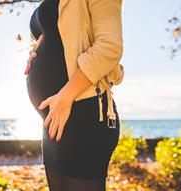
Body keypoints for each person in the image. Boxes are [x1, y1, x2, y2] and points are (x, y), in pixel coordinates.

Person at [24, 0, 124, 190]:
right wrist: (34, 52)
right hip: (54, 118)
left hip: (84, 113)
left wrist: (65, 97)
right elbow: (56, 38)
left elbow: (109, 47)